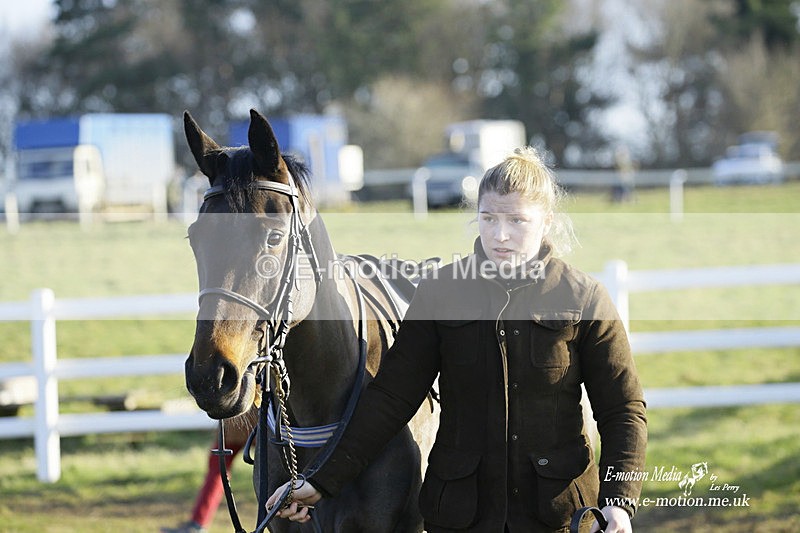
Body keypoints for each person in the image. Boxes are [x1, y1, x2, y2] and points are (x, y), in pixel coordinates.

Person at [267, 147, 648, 532]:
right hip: (460, 517)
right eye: (489, 218)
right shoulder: (440, 293)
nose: (500, 235)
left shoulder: (584, 299)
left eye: (517, 220)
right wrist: (321, 481)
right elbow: (391, 398)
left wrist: (618, 503)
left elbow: (623, 410)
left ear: (546, 221)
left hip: (559, 517)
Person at [161, 422, 251, 533]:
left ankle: (198, 523)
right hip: (237, 423)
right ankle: (197, 523)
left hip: (256, 422)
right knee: (217, 464)